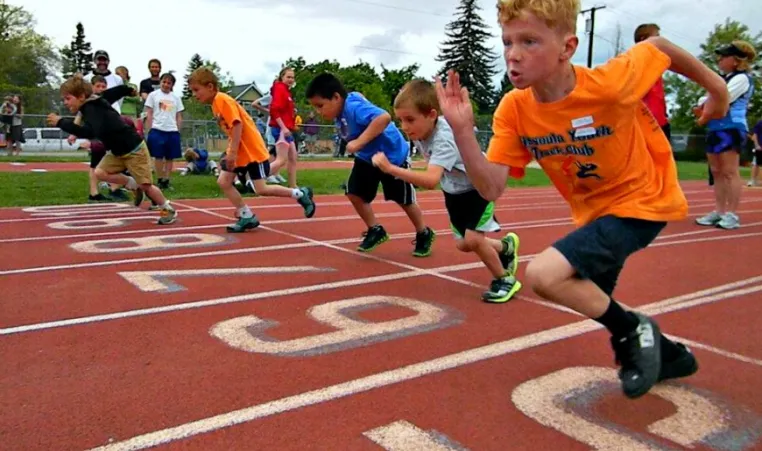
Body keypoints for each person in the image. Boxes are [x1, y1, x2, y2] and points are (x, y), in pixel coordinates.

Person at [435, 0, 731, 399]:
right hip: (594, 213)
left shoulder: (610, 83)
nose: (514, 54)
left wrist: (718, 90)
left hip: (644, 199)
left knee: (543, 274)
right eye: (507, 42)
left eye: (530, 41)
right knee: (587, 291)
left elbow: (659, 46)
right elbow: (490, 189)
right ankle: (669, 355)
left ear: (567, 47)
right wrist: (463, 131)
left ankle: (635, 332)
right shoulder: (514, 108)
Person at [374, 79, 522, 303]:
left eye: (410, 119)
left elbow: (430, 179)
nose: (404, 127)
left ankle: (504, 279)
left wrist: (391, 169)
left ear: (432, 115)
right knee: (463, 244)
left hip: (479, 188)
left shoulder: (445, 137)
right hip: (454, 191)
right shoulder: (422, 133)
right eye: (401, 120)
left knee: (473, 240)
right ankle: (505, 247)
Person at [307, 73, 435, 256]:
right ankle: (375, 229)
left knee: (404, 200)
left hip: (392, 156)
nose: (319, 111)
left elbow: (384, 117)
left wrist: (359, 142)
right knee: (354, 192)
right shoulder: (342, 108)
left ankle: (423, 232)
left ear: (336, 97)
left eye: (320, 106)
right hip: (367, 157)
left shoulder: (352, 107)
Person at [187, 67, 316, 233]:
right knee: (224, 181)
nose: (195, 95)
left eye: (197, 90)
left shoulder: (222, 100)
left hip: (251, 152)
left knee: (261, 188)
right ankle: (245, 215)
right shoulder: (215, 105)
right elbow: (231, 130)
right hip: (239, 151)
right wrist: (230, 152)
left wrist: (231, 153)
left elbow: (237, 124)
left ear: (210, 87)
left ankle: (300, 194)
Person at [49, 74, 177, 225]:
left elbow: (89, 132)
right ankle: (133, 185)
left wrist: (61, 122)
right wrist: (127, 89)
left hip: (134, 149)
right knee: (100, 172)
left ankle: (167, 209)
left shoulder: (91, 109)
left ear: (82, 96)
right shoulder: (94, 101)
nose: (65, 103)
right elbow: (112, 93)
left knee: (147, 186)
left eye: (68, 98)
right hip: (117, 152)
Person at [694, 41, 757, 230]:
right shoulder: (722, 79)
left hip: (731, 127)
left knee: (730, 171)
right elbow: (704, 99)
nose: (720, 59)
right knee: (717, 171)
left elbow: (721, 98)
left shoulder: (742, 79)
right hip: (715, 127)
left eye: (724, 56)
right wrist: (706, 102)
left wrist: (705, 104)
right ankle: (719, 211)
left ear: (736, 61)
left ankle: (732, 214)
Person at [144, 72, 184, 191]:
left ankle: (167, 179)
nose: (166, 85)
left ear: (172, 85)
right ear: (160, 82)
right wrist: (149, 128)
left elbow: (178, 115)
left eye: (169, 83)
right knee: (158, 156)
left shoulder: (176, 98)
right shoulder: (153, 95)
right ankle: (160, 179)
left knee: (170, 157)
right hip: (158, 129)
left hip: (172, 130)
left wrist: (178, 128)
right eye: (164, 82)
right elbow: (149, 113)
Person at [269, 68, 300, 188]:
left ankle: (293, 186)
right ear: (282, 77)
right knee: (281, 159)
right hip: (281, 129)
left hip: (286, 129)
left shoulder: (286, 91)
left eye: (292, 77)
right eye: (288, 77)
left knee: (293, 157)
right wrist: (284, 128)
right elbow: (274, 109)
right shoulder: (279, 89)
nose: (291, 80)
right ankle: (254, 179)